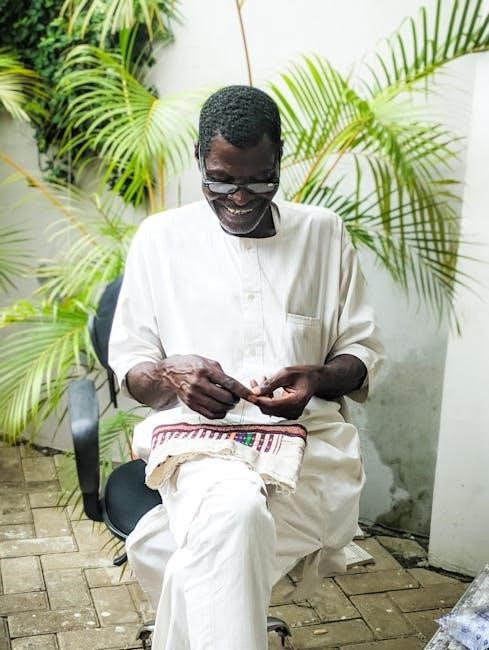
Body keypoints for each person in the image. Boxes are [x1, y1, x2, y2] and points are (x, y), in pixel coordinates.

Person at [109, 85, 383, 650]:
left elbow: (361, 352)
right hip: (197, 447)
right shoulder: (160, 240)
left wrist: (319, 378)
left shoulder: (323, 233)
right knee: (234, 513)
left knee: (190, 555)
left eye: (259, 180)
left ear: (279, 159)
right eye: (220, 181)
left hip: (308, 448)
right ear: (198, 160)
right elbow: (132, 371)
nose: (238, 197)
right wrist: (171, 375)